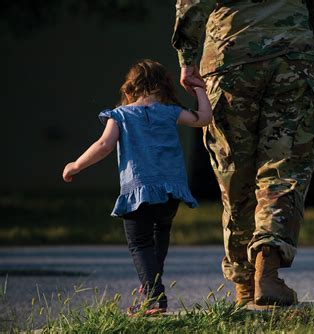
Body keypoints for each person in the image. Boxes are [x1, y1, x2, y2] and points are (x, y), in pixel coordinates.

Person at [172, 0, 314, 306]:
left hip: (229, 57)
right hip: (291, 58)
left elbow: (192, 4)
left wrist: (187, 58)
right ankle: (266, 273)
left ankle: (244, 284)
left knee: (234, 174)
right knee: (283, 168)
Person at [62, 59, 212, 315]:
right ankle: (149, 291)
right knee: (159, 236)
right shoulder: (170, 111)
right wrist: (198, 87)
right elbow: (204, 118)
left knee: (140, 243)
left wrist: (76, 165)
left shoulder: (120, 115)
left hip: (139, 190)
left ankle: (154, 297)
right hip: (170, 190)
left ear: (130, 88)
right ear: (165, 87)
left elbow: (104, 146)